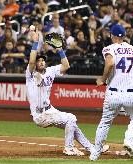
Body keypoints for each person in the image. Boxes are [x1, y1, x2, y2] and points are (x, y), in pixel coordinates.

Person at [26, 28, 108, 156]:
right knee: (71, 118)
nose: (41, 62)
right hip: (39, 115)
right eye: (38, 60)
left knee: (72, 125)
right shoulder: (31, 75)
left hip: (49, 110)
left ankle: (92, 148)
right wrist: (36, 42)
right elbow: (31, 61)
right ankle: (68, 148)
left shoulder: (50, 71)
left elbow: (66, 66)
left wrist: (60, 50)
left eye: (42, 60)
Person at [89, 24, 133, 161]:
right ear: (124, 36)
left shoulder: (110, 48)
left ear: (112, 35)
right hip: (131, 92)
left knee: (105, 122)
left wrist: (102, 79)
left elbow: (110, 63)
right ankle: (129, 141)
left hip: (113, 92)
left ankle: (95, 153)